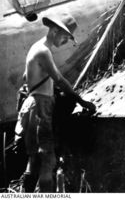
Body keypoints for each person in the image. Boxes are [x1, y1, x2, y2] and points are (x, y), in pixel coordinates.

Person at [17, 13, 96, 192]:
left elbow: (25, 77)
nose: (67, 41)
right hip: (41, 107)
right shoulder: (44, 51)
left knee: (33, 160)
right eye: (66, 37)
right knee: (48, 159)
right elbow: (59, 79)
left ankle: (25, 194)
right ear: (54, 31)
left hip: (31, 106)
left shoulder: (35, 48)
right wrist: (81, 101)